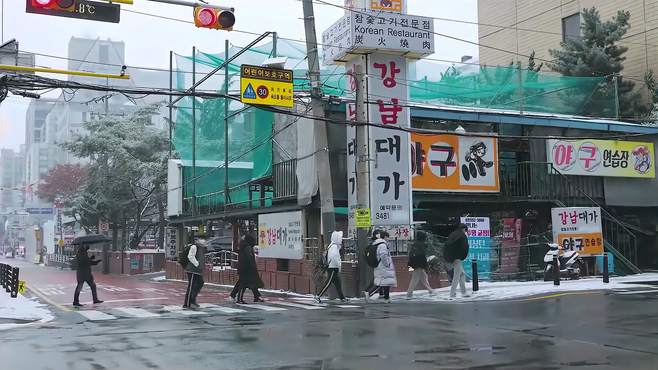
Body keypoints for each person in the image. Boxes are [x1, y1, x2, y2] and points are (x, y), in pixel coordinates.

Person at [315, 231, 348, 303]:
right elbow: (334, 257)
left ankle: (342, 298)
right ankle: (318, 295)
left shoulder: (332, 245)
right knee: (328, 283)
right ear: (337, 238)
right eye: (340, 238)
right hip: (332, 267)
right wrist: (339, 265)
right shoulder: (334, 247)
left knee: (338, 283)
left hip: (333, 267)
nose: (341, 240)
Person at [364, 230, 397, 303]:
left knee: (386, 283)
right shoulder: (382, 245)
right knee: (381, 283)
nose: (388, 239)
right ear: (385, 237)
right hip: (383, 267)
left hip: (380, 267)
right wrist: (387, 264)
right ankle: (369, 293)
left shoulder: (378, 244)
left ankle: (386, 298)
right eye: (388, 238)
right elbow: (383, 256)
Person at [235, 234, 264, 304]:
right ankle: (239, 299)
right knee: (243, 284)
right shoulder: (247, 247)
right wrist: (253, 267)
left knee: (249, 283)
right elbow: (249, 258)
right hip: (246, 269)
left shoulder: (244, 246)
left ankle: (256, 296)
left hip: (243, 268)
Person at [445, 223, 470, 299]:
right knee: (457, 276)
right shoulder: (462, 236)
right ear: (464, 229)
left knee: (462, 274)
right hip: (457, 258)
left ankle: (463, 292)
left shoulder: (452, 234)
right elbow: (464, 248)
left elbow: (446, 245)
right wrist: (461, 257)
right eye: (465, 230)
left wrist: (448, 257)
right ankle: (452, 294)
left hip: (450, 257)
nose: (465, 232)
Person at [406, 230, 434, 299]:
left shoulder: (415, 244)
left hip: (414, 262)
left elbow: (412, 255)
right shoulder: (422, 244)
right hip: (419, 263)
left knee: (424, 277)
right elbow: (424, 253)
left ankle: (430, 290)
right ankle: (409, 293)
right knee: (415, 278)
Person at [183, 238, 207, 309]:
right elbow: (190, 256)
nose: (203, 240)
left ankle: (193, 299)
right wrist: (197, 264)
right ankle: (187, 303)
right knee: (191, 286)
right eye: (201, 239)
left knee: (200, 283)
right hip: (192, 270)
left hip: (198, 270)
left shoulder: (201, 248)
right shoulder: (194, 247)